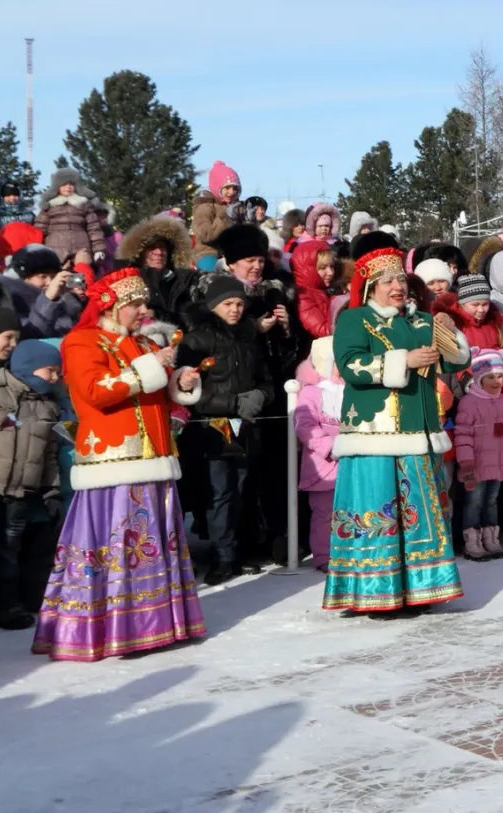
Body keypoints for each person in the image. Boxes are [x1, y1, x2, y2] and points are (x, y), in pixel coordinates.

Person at [32, 268, 207, 660]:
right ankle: (115, 626)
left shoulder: (143, 342)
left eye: (144, 303)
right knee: (117, 542)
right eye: (136, 305)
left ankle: (156, 623)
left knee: (150, 541)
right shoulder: (80, 342)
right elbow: (94, 392)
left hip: (154, 457)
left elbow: (157, 396)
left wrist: (180, 379)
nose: (145, 311)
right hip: (113, 458)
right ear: (112, 304)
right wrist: (150, 369)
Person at [323, 247, 466, 615]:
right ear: (371, 286)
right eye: (387, 280)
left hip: (420, 429)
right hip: (374, 432)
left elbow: (457, 359)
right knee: (377, 508)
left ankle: (421, 590)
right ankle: (374, 591)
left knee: (420, 514)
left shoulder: (422, 321)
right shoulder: (354, 319)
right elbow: (351, 365)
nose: (397, 286)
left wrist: (452, 332)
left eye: (400, 278)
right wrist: (403, 361)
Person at [176, 274, 273, 585]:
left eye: (240, 304)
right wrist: (232, 401)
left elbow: (266, 380)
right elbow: (192, 392)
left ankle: (237, 553)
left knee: (243, 491)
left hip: (245, 426)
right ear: (214, 306)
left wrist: (259, 396)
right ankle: (222, 557)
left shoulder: (248, 339)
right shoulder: (196, 340)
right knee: (219, 493)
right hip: (212, 429)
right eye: (228, 304)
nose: (235, 310)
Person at [0, 332, 59, 629]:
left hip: (21, 492)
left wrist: (51, 490)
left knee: (9, 550)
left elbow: (50, 454)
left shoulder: (48, 407)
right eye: (50, 370)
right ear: (30, 367)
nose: (55, 378)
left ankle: (7, 606)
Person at [454, 350, 503, 561]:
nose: (496, 381)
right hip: (477, 465)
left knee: (491, 502)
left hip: (497, 464)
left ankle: (491, 538)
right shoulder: (470, 402)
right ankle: (472, 541)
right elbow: (463, 435)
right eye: (490, 377)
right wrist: (466, 464)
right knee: (474, 502)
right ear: (479, 378)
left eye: (499, 376)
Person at [292, 337, 343, 572]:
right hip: (323, 466)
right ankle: (324, 555)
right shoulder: (311, 393)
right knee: (324, 514)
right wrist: (329, 447)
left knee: (349, 510)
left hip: (352, 462)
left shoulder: (353, 391)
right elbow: (305, 426)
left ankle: (348, 551)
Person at [118, 216, 196, 325]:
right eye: (152, 247)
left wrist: (159, 314)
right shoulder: (126, 280)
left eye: (162, 247)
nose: (159, 252)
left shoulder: (181, 281)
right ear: (140, 253)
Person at [0, 245, 83, 339]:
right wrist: (48, 299)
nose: (50, 282)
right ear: (21, 277)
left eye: (53, 276)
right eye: (42, 276)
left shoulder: (60, 294)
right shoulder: (10, 303)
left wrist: (74, 296)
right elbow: (32, 336)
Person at [37, 166, 105, 269]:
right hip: (56, 251)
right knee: (60, 279)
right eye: (64, 184)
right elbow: (40, 230)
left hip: (81, 249)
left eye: (71, 184)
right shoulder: (48, 206)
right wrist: (38, 250)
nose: (68, 187)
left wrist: (98, 249)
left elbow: (94, 228)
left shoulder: (84, 204)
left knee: (80, 280)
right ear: (57, 187)